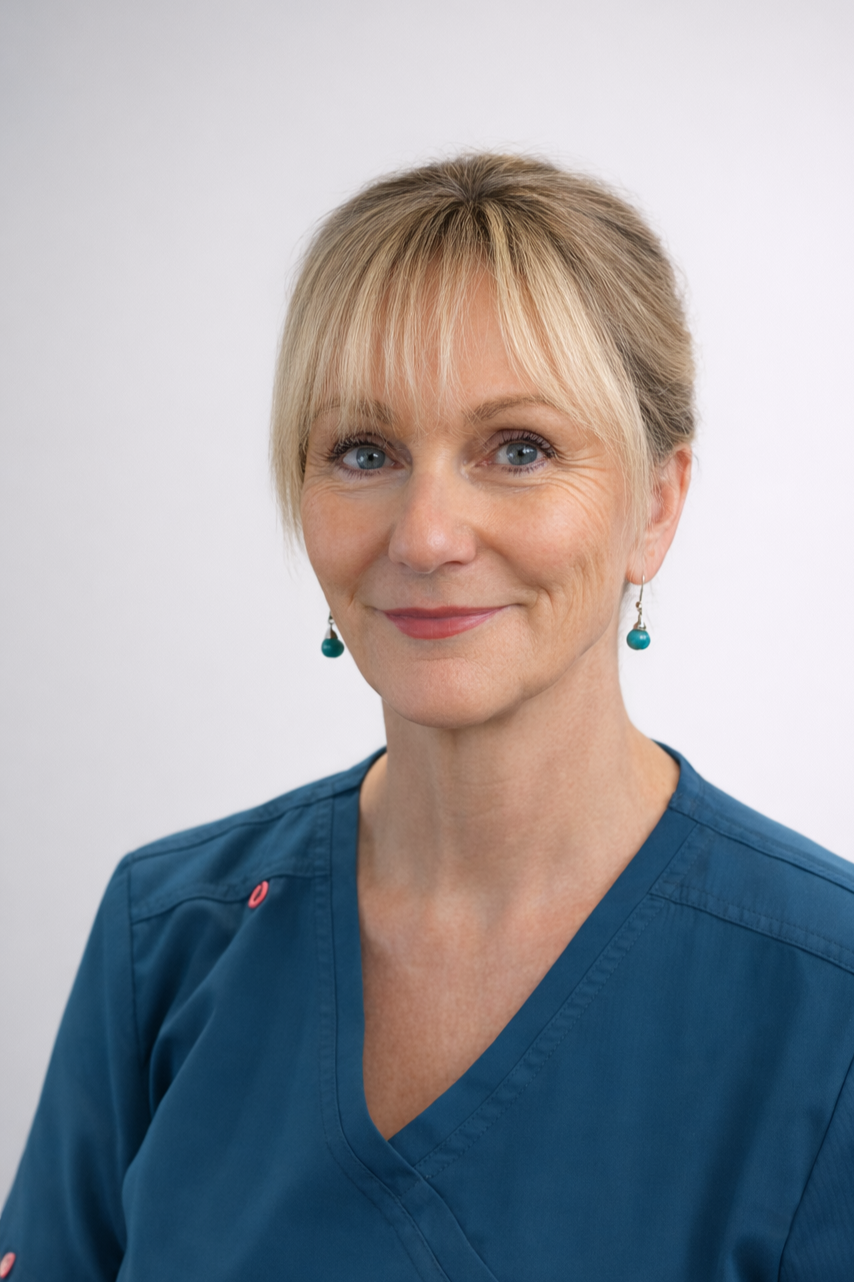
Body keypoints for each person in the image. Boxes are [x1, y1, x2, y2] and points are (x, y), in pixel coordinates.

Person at [1, 153, 852, 1282]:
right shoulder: (167, 940)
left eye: (518, 449)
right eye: (365, 453)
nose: (425, 536)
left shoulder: (827, 998)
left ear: (655, 505)